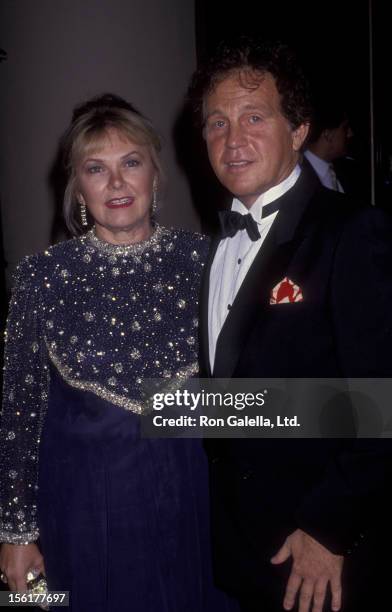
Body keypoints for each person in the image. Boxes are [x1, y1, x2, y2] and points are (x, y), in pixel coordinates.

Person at [0, 94, 234, 612]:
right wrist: (16, 533)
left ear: (155, 173)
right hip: (81, 508)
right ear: (77, 186)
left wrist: (353, 412)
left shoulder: (208, 260)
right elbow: (19, 411)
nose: (117, 183)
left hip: (193, 498)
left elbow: (241, 392)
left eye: (131, 163)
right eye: (95, 169)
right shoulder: (42, 277)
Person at [189, 37, 392, 612]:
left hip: (320, 560)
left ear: (299, 130)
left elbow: (382, 401)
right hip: (238, 553)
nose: (232, 140)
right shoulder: (213, 249)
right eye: (216, 122)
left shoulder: (353, 233)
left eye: (254, 117)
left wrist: (330, 529)